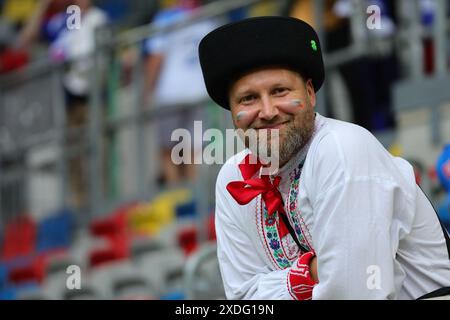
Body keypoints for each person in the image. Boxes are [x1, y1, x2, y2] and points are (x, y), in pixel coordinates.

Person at [198, 16, 450, 300]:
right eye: (248, 99)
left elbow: (356, 292)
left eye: (280, 91)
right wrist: (311, 274)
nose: (267, 111)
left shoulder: (343, 148)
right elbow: (243, 298)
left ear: (309, 93)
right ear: (232, 112)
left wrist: (283, 284)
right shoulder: (233, 178)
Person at [143, 0, 219, 186]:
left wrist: (146, 91)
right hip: (198, 92)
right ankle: (194, 196)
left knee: (168, 149)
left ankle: (176, 193)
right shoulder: (209, 18)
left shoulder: (166, 18)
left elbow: (156, 57)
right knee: (193, 147)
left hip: (171, 92)